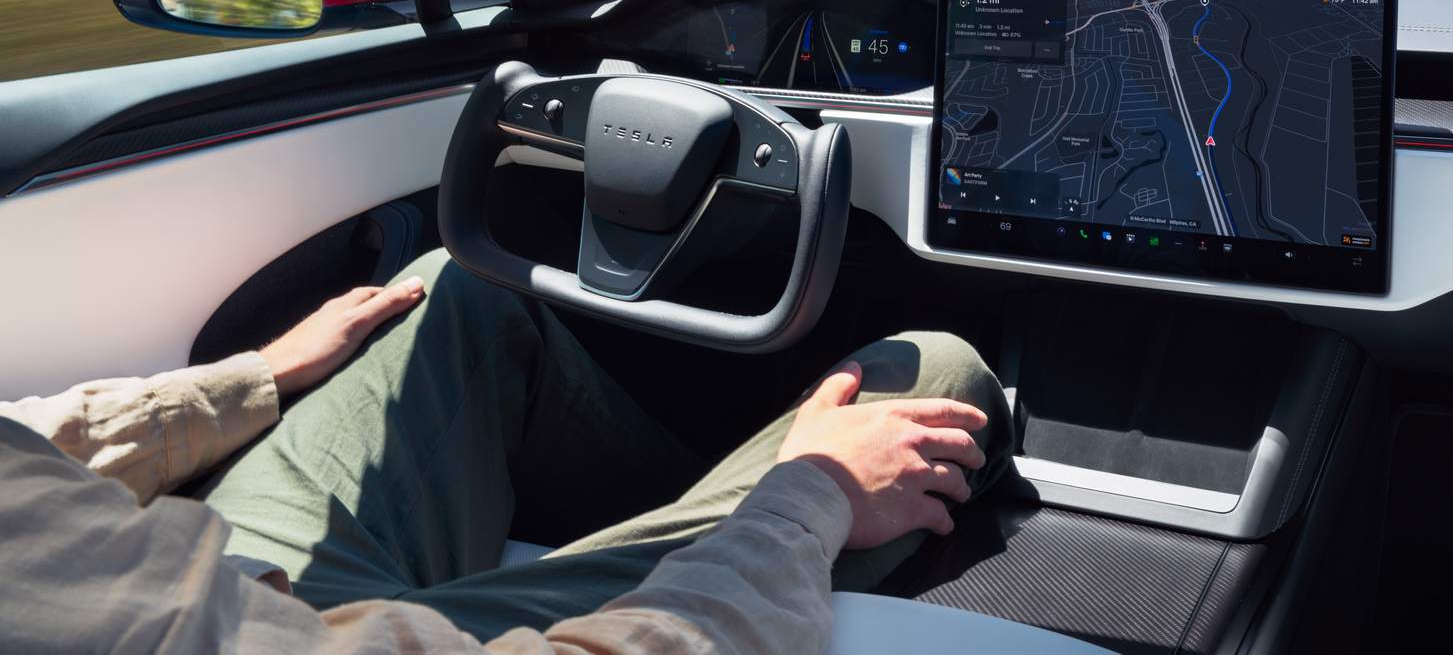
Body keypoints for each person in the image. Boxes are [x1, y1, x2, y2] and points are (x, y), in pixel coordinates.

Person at [0, 248, 1012, 652]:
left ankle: (655, 537)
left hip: (209, 578)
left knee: (458, 285)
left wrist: (249, 378)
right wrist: (804, 500)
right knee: (932, 375)